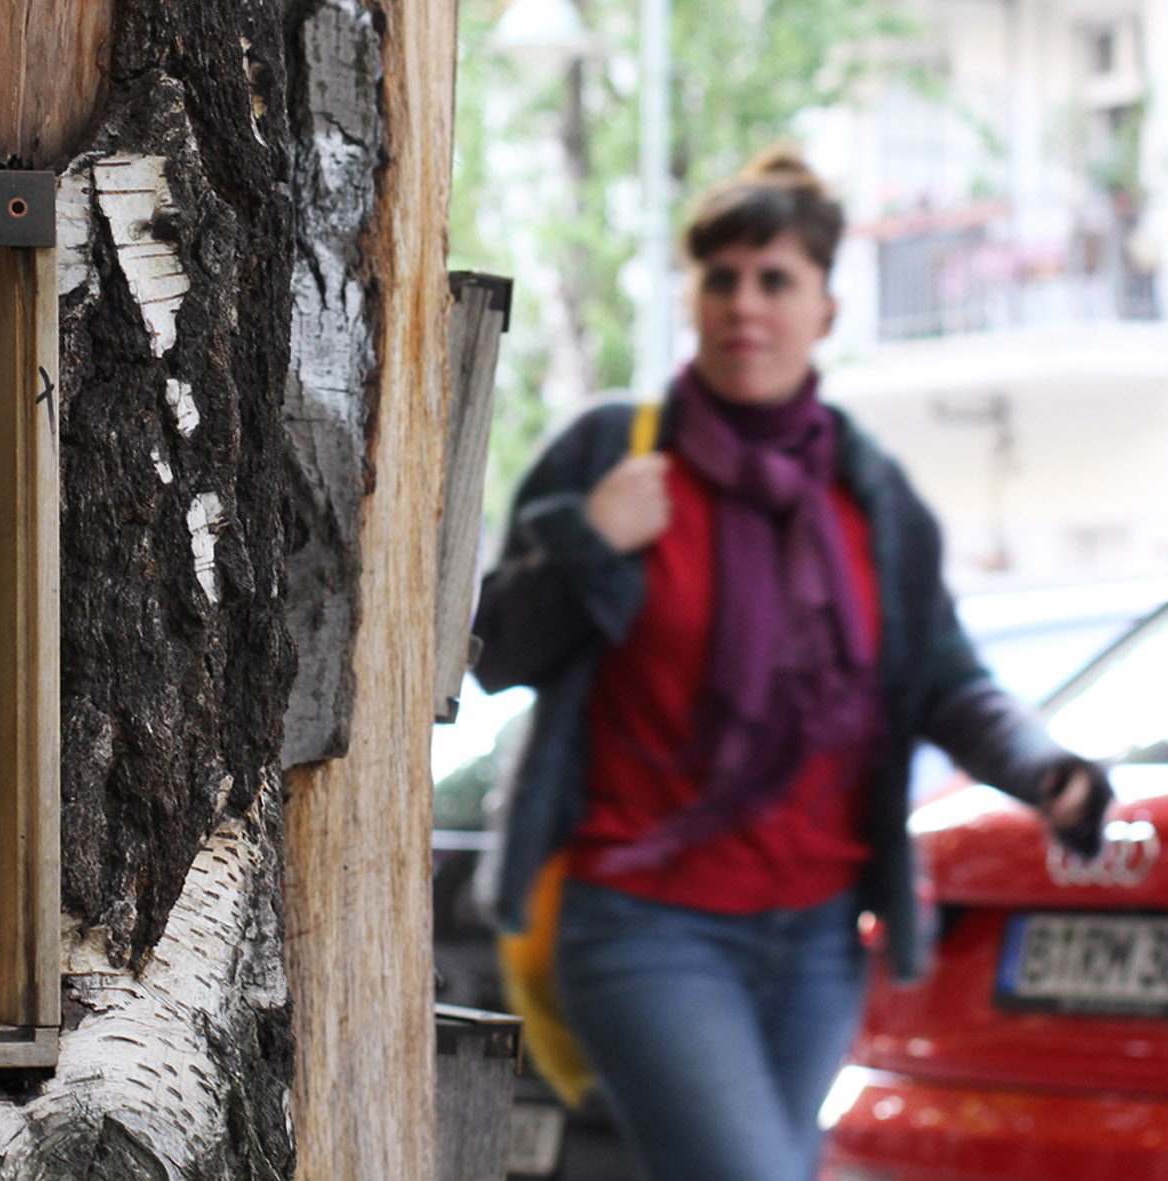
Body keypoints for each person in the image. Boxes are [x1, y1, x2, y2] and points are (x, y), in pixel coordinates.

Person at [471, 146, 1111, 1181]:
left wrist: (1046, 771)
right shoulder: (611, 454)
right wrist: (590, 542)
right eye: (720, 278)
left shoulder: (867, 495)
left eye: (775, 279)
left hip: (814, 940)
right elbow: (496, 653)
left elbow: (945, 678)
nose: (744, 304)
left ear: (825, 309)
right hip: (644, 924)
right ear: (692, 298)